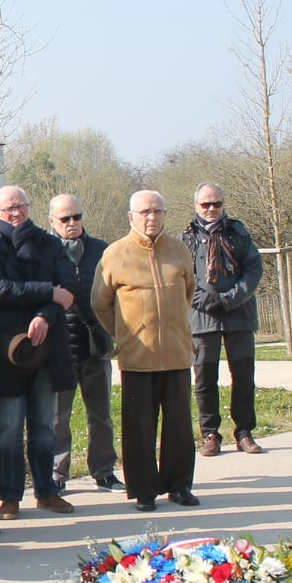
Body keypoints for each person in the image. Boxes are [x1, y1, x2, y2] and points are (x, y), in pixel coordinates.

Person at [92, 190, 199, 512]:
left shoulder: (179, 250)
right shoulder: (115, 254)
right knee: (139, 428)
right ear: (131, 216)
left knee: (179, 426)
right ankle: (144, 490)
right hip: (138, 357)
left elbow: (189, 292)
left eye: (157, 211)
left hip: (176, 354)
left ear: (165, 214)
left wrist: (177, 327)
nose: (151, 217)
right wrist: (125, 333)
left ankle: (179, 485)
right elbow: (100, 303)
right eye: (144, 212)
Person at [0, 186, 78, 519]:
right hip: (5, 354)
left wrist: (44, 315)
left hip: (47, 350)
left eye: (20, 206)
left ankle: (47, 491)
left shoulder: (50, 244)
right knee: (9, 428)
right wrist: (47, 292)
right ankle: (9, 496)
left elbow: (68, 292)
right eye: (8, 208)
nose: (16, 213)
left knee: (44, 425)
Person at [180, 183, 266, 456]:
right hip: (202, 319)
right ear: (196, 206)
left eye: (216, 203)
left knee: (243, 377)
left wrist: (229, 299)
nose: (211, 208)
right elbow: (180, 278)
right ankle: (210, 434)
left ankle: (244, 432)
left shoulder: (239, 234)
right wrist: (206, 301)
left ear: (223, 204)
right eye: (205, 204)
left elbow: (253, 270)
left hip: (239, 316)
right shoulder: (184, 240)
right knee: (205, 380)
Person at [48, 194, 123, 493]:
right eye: (65, 218)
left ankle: (104, 471)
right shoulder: (45, 251)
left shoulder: (102, 250)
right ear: (52, 221)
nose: (72, 223)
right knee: (58, 417)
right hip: (59, 347)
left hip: (95, 345)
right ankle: (57, 474)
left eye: (77, 217)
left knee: (101, 415)